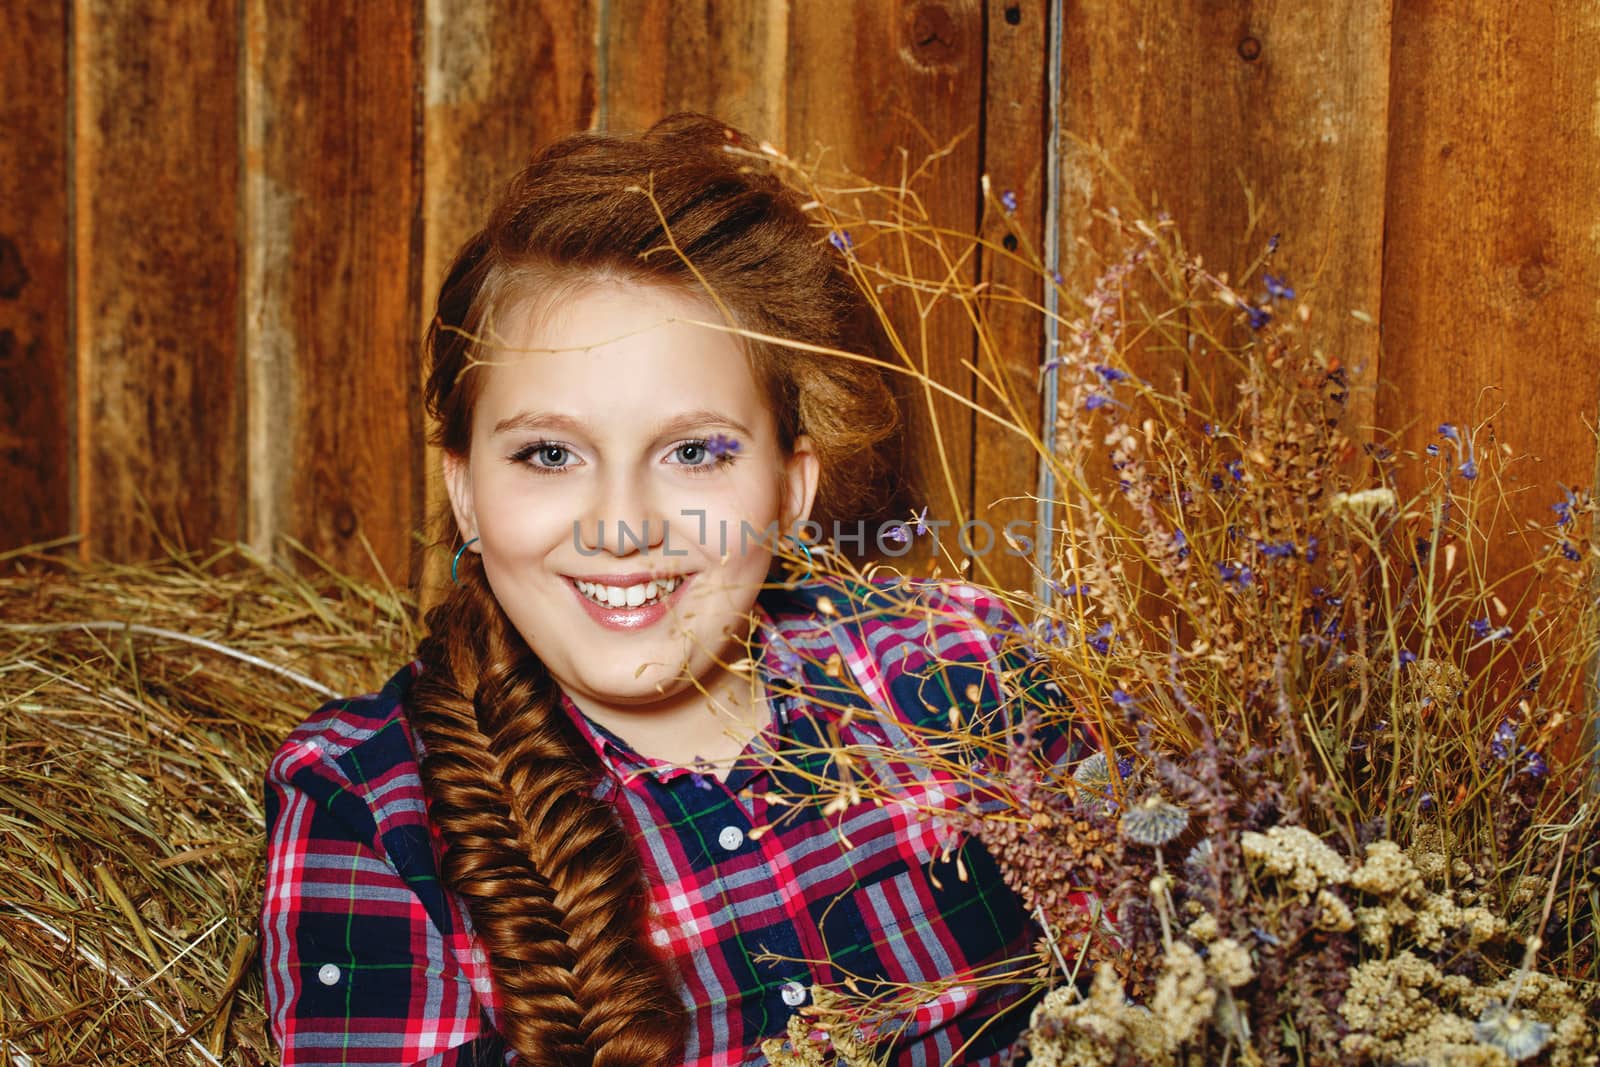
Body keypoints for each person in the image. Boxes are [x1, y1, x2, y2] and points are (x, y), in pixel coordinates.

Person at [261, 112, 1078, 1067]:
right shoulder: (367, 808)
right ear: (466, 492)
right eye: (550, 453)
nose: (623, 525)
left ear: (790, 487)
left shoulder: (957, 675)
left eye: (693, 452)